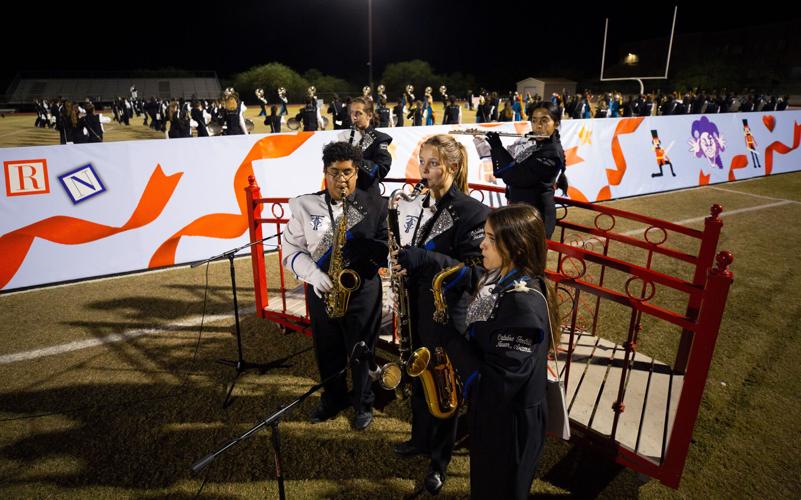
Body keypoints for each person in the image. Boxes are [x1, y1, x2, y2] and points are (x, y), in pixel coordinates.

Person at [392, 134, 490, 495]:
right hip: (419, 307)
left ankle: (439, 462)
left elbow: (478, 275)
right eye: (422, 162)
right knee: (420, 377)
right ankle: (420, 439)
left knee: (445, 388)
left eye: (433, 163)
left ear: (452, 166)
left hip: (449, 315)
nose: (425, 170)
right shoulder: (422, 204)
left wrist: (425, 260)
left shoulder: (473, 213)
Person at [443, 204, 557, 500]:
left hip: (509, 424)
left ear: (515, 247)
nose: (482, 243)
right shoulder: (501, 277)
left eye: (491, 238)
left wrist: (451, 342)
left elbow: (494, 384)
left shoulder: (522, 305)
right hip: (496, 416)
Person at [282, 141, 389, 431]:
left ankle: (364, 402)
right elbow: (290, 252)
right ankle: (333, 398)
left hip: (362, 289)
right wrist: (314, 276)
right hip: (321, 288)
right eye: (334, 173)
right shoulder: (305, 205)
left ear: (357, 172)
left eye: (347, 173)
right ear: (324, 172)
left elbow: (386, 249)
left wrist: (367, 252)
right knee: (326, 349)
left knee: (362, 349)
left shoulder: (377, 205)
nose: (341, 180)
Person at [474, 101, 567, 239]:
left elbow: (517, 176)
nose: (538, 126)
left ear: (556, 123)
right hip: (519, 210)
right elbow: (511, 161)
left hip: (535, 216)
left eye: (544, 120)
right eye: (534, 121)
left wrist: (498, 148)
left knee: (527, 258)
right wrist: (489, 144)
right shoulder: (531, 142)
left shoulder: (551, 153)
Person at [343, 97, 393, 194]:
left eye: (358, 113)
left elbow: (382, 169)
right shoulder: (347, 138)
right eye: (352, 113)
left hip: (367, 196)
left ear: (369, 115)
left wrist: (356, 159)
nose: (354, 117)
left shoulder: (379, 138)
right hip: (347, 195)